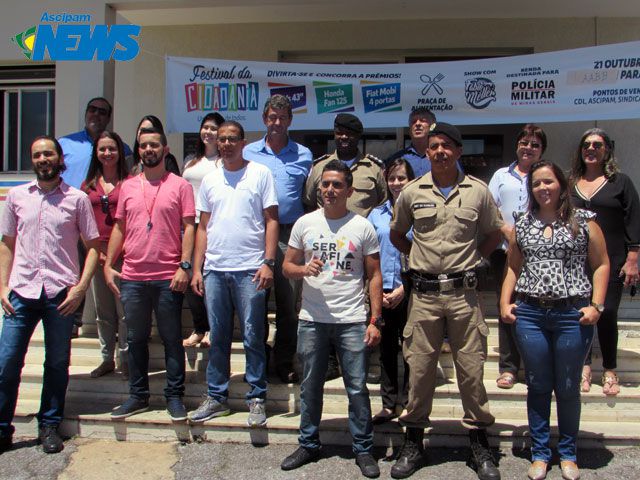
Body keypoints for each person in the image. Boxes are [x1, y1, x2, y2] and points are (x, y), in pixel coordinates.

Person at [390, 122, 503, 480]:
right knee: (420, 372)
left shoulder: (478, 193)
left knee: (471, 372)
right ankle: (413, 443)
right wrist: (419, 259)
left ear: (458, 151)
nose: (439, 151)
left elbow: (494, 232)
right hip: (423, 297)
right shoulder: (411, 191)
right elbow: (397, 234)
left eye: (446, 146)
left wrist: (476, 260)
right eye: (433, 146)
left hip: (463, 297)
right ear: (427, 152)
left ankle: (480, 445)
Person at [500, 160, 609, 480]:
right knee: (537, 384)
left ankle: (569, 454)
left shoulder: (585, 222)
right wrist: (505, 302)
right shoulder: (523, 223)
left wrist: (597, 306)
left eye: (548, 181)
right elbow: (512, 267)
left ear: (561, 184)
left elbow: (602, 264)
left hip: (571, 315)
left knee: (567, 386)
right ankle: (539, 453)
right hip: (531, 314)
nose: (542, 188)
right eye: (536, 183)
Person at [280, 159, 383, 478]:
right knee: (310, 385)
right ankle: (308, 444)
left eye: (337, 184)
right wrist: (302, 269)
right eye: (325, 184)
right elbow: (286, 267)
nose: (329, 190)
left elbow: (374, 274)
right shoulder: (304, 223)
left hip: (352, 318)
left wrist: (374, 319)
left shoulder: (362, 226)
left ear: (349, 190)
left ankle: (364, 449)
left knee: (357, 387)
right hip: (312, 318)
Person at [0, 136, 100, 454]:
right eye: (38, 154)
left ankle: (49, 425)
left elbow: (94, 247)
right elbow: (7, 244)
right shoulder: (16, 197)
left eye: (49, 153)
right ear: (33, 160)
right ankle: (3, 429)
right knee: (6, 363)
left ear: (59, 158)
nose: (43, 159)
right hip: (21, 291)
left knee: (57, 363)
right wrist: (2, 286)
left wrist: (82, 287)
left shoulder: (76, 199)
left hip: (61, 294)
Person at [189, 121, 278, 428]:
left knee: (253, 336)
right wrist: (198, 268)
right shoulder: (210, 180)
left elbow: (271, 220)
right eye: (222, 139)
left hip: (250, 270)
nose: (226, 144)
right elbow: (203, 227)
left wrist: (268, 262)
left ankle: (256, 398)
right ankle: (217, 397)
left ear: (243, 142)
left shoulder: (260, 173)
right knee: (218, 337)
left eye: (232, 139)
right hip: (215, 269)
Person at [104, 127, 195, 421]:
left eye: (154, 145)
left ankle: (174, 397)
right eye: (143, 146)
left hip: (168, 275)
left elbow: (190, 227)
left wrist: (185, 265)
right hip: (133, 276)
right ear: (139, 150)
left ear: (165, 149)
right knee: (135, 339)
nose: (148, 150)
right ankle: (138, 395)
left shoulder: (180, 185)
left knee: (171, 339)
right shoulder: (129, 186)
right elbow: (119, 226)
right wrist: (109, 264)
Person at [304, 112, 386, 380]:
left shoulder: (373, 169)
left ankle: (365, 356)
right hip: (326, 243)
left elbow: (384, 203)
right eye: (340, 132)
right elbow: (309, 201)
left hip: (362, 245)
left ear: (358, 137)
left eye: (350, 133)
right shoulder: (320, 167)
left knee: (364, 296)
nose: (344, 137)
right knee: (324, 294)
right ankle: (328, 361)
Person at [243, 95, 312, 384]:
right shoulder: (248, 152)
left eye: (283, 117)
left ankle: (284, 361)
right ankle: (257, 360)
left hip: (290, 236)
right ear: (264, 119)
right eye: (272, 117)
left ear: (290, 121)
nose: (277, 123)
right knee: (254, 302)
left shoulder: (304, 154)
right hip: (254, 234)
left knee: (288, 304)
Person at [569, 128, 640, 396]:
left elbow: (633, 219)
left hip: (612, 260)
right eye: (586, 144)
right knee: (580, 313)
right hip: (576, 262)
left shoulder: (620, 182)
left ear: (606, 150)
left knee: (606, 312)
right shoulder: (570, 182)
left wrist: (633, 258)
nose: (591, 148)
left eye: (597, 145)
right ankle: (584, 366)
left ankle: (610, 369)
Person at [488, 124, 547, 390]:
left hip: (540, 254)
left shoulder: (546, 175)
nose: (529, 148)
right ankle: (509, 368)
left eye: (535, 145)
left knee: (537, 309)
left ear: (542, 150)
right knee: (507, 307)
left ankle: (536, 365)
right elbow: (489, 208)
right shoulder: (501, 175)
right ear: (517, 146)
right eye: (525, 143)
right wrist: (506, 230)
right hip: (507, 252)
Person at [367, 158, 415, 424]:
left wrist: (402, 288)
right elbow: (369, 255)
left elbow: (423, 253)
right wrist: (379, 291)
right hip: (381, 292)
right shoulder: (376, 215)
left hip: (410, 289)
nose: (397, 183)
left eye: (402, 178)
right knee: (385, 350)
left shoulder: (419, 213)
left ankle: (408, 402)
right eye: (393, 178)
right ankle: (388, 404)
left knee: (410, 349)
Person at [81, 131, 130, 379]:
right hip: (96, 255)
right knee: (104, 311)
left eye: (112, 148)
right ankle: (106, 359)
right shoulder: (88, 185)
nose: (107, 153)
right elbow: (80, 222)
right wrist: (96, 253)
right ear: (96, 153)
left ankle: (126, 359)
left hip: (123, 255)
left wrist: (113, 255)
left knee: (124, 309)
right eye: (102, 149)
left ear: (120, 152)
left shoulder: (130, 181)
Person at [182, 112, 225, 349]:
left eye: (213, 128)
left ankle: (211, 328)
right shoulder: (190, 161)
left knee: (208, 279)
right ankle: (199, 327)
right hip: (189, 225)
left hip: (211, 226)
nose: (208, 132)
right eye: (205, 127)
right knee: (189, 275)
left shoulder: (223, 163)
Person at [59, 97, 132, 189]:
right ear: (86, 114)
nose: (96, 114)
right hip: (69, 201)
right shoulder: (64, 144)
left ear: (108, 119)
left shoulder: (122, 149)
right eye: (92, 110)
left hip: (103, 201)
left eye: (102, 112)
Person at [385, 107, 435, 177]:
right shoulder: (396, 159)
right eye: (413, 122)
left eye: (422, 120)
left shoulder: (442, 156)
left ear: (432, 126)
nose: (417, 124)